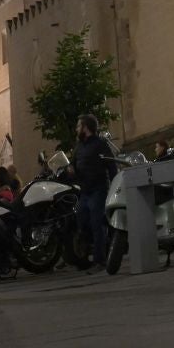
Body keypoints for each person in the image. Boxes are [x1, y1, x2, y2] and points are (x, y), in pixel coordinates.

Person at [72, 114, 113, 271]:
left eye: (78, 126)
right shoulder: (79, 146)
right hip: (85, 191)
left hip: (98, 189)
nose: (77, 129)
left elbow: (111, 165)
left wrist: (113, 186)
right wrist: (70, 169)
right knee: (81, 220)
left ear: (85, 128)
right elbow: (74, 164)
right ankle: (90, 253)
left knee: (97, 224)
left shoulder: (100, 144)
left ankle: (99, 260)